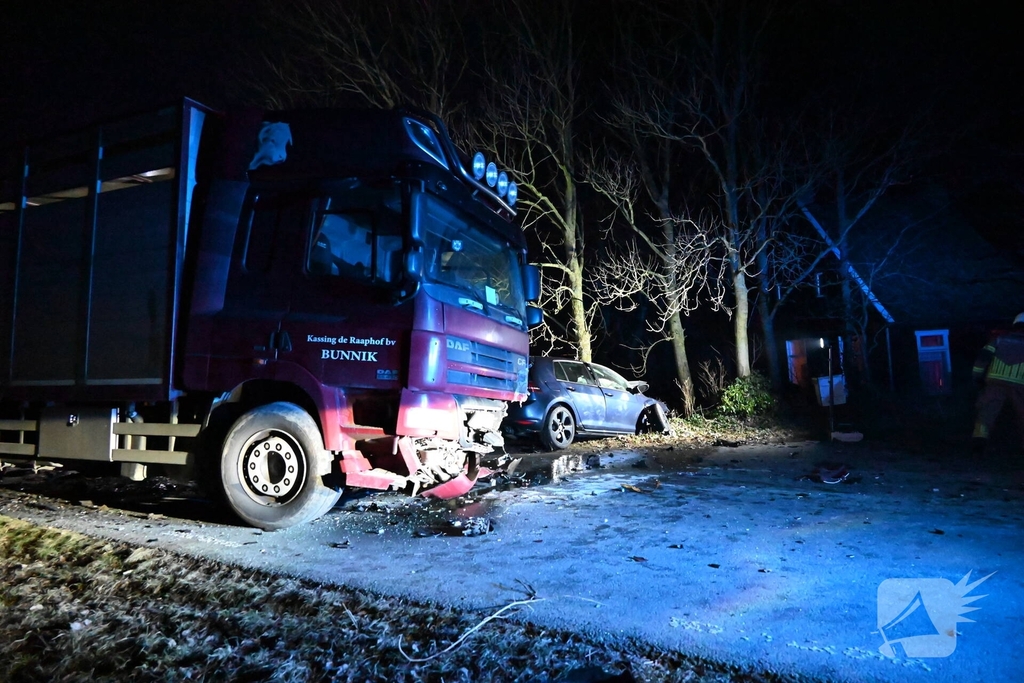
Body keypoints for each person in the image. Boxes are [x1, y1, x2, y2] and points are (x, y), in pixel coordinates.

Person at [971, 312, 1024, 455]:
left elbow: (982, 359)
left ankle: (978, 444)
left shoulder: (999, 340)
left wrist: (977, 378)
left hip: (995, 381)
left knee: (987, 412)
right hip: (1020, 384)